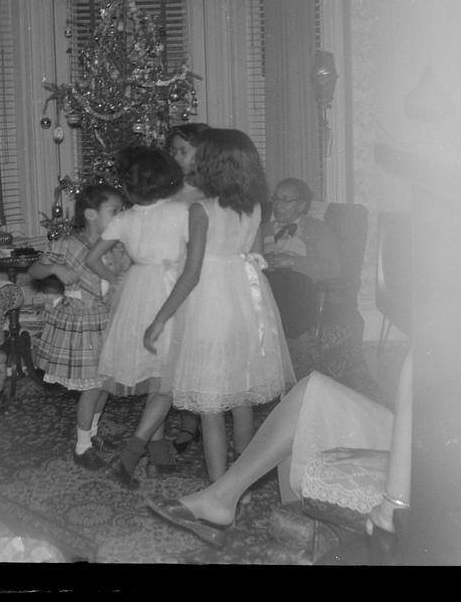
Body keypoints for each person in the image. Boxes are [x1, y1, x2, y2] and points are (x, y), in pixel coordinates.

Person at [130, 128, 296, 488]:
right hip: (249, 303)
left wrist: (160, 319)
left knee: (211, 406)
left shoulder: (201, 210)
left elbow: (191, 275)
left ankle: (220, 489)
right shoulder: (254, 208)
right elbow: (258, 258)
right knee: (241, 397)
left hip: (212, 305)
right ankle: (244, 484)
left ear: (214, 166)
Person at [146, 348, 413, 558]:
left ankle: (225, 499)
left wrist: (389, 461)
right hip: (410, 441)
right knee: (311, 392)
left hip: (427, 469)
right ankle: (226, 496)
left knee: (307, 415)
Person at [85, 145, 188, 486]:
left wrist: (115, 279)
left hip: (136, 293)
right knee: (166, 384)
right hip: (169, 293)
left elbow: (92, 258)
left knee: (157, 378)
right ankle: (129, 458)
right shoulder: (181, 211)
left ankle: (157, 458)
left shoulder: (124, 218)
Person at [27, 184, 128, 472]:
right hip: (82, 325)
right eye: (115, 211)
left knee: (106, 384)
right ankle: (81, 447)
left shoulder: (116, 245)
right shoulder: (68, 245)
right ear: (91, 214)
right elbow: (35, 270)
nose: (121, 216)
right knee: (92, 387)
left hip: (108, 321)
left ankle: (93, 433)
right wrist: (55, 270)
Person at [165, 123, 211, 455]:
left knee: (198, 349)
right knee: (176, 351)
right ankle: (186, 419)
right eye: (174, 151)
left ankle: (200, 419)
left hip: (202, 276)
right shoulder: (169, 191)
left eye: (184, 151)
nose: (177, 157)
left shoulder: (212, 193)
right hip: (171, 270)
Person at [262, 178, 340, 339]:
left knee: (289, 281)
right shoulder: (261, 229)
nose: (278, 205)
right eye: (275, 199)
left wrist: (291, 262)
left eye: (285, 200)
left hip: (300, 292)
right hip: (266, 288)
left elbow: (333, 269)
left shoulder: (319, 229)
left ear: (302, 205)